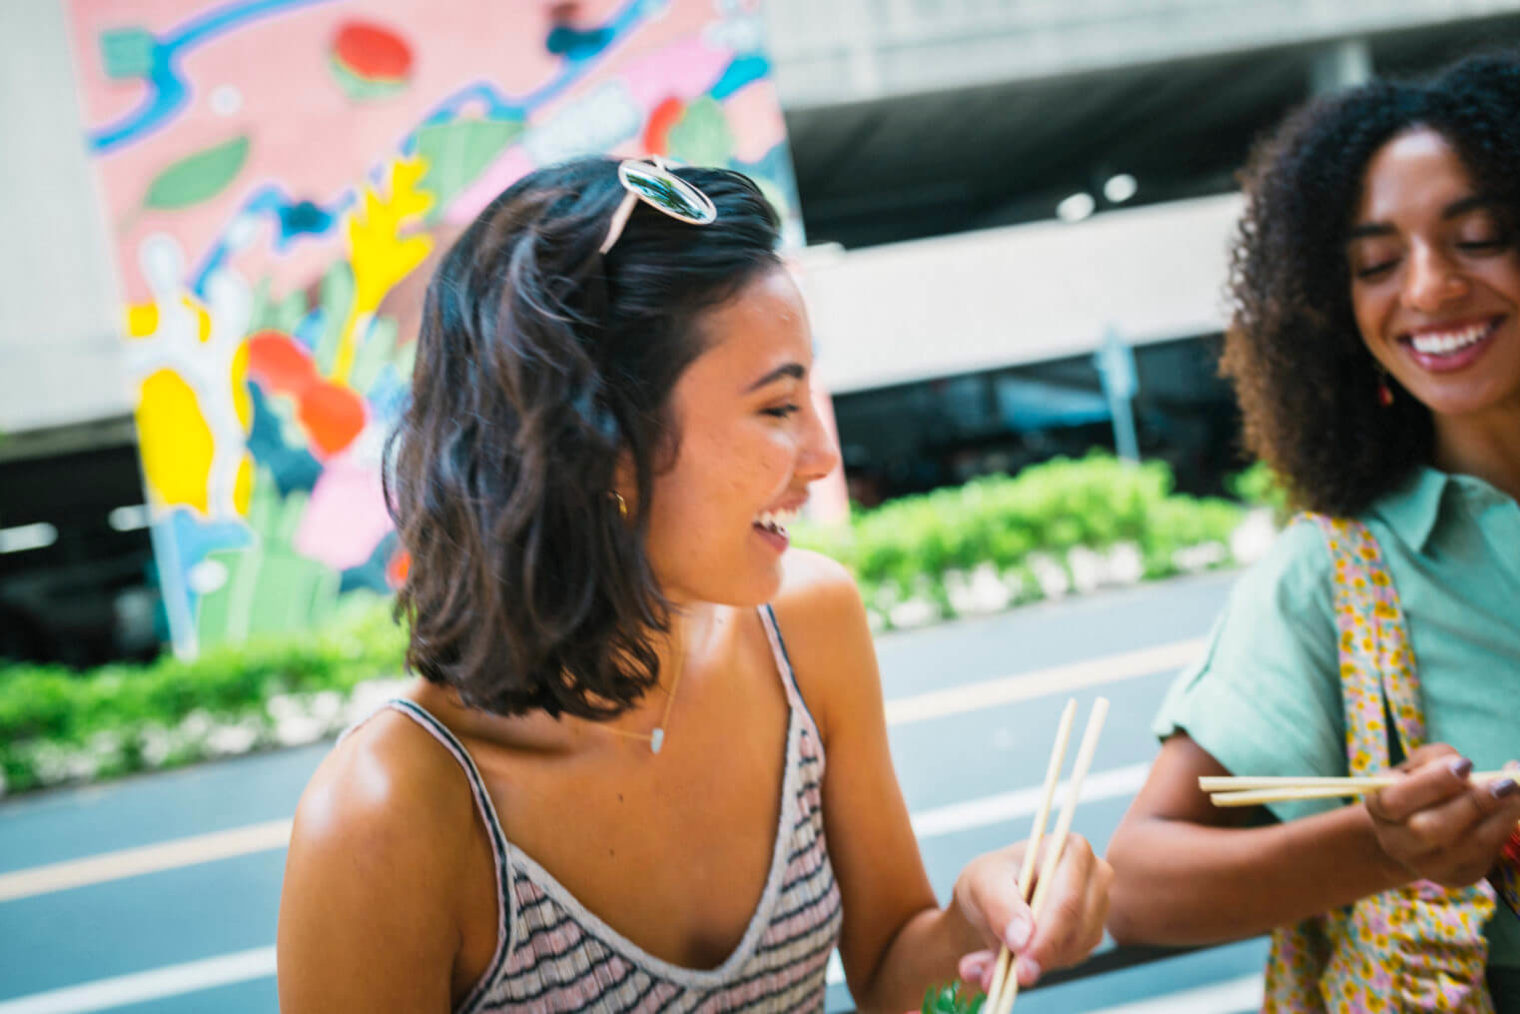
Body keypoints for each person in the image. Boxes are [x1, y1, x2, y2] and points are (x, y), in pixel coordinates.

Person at [276, 156, 1112, 1012]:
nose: (824, 457)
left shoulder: (809, 628)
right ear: (600, 440)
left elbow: (898, 980)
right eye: (778, 407)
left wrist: (979, 927)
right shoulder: (388, 814)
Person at [1105, 53, 1520, 1010]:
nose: (1427, 288)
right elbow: (1136, 881)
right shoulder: (1335, 574)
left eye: (1482, 236)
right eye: (1375, 263)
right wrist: (1378, 845)